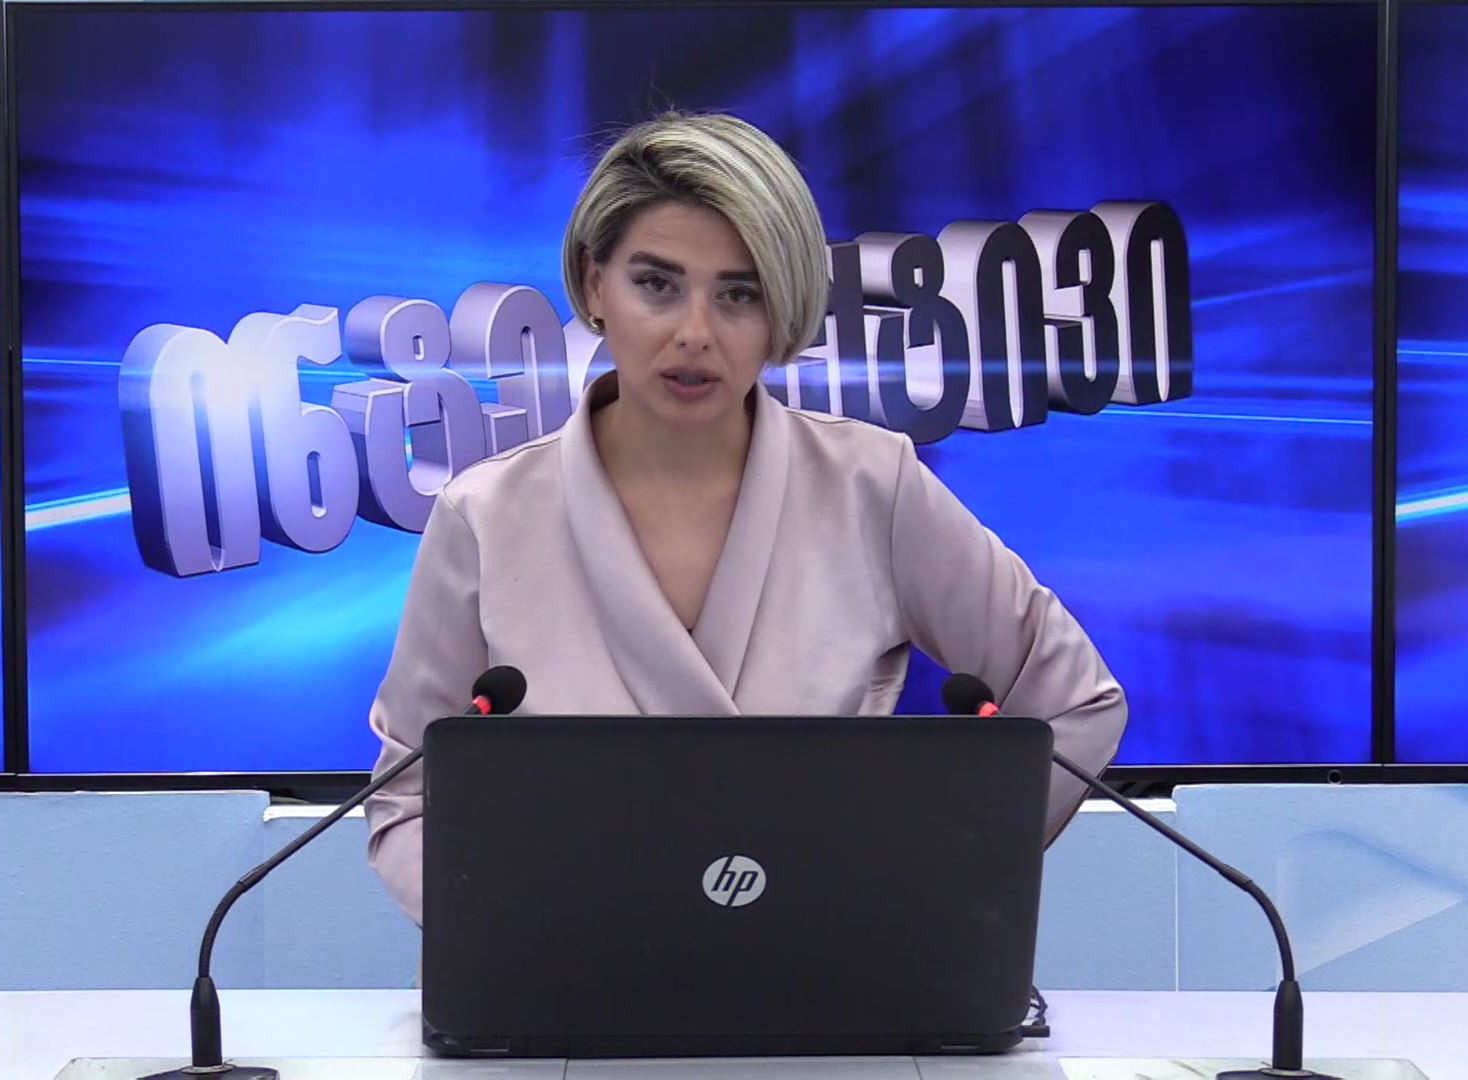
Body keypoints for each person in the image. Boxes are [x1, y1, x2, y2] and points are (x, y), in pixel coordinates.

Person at [364, 111, 1126, 929]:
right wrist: (507, 935)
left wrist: (929, 891)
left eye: (740, 294)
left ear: (782, 311)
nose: (695, 334)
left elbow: (1075, 704)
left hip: (827, 977)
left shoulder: (873, 486)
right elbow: (406, 797)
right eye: (656, 285)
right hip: (574, 980)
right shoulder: (484, 517)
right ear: (593, 285)